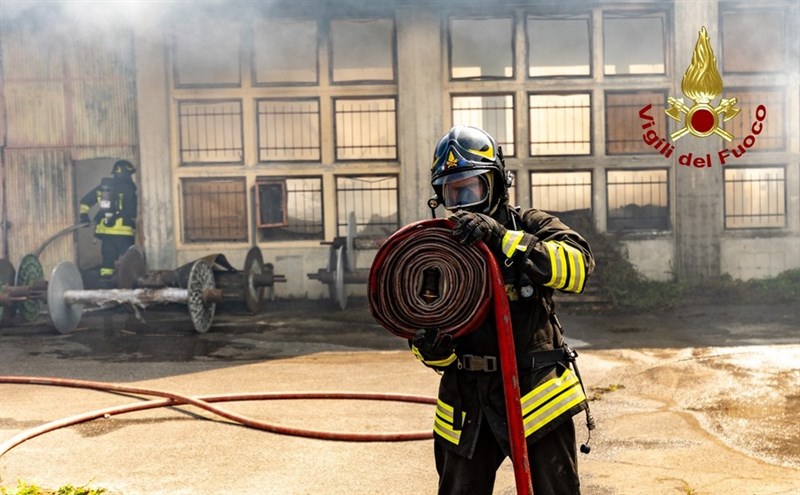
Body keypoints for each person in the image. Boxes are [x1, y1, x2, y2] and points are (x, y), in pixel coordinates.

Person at [412, 125, 595, 495]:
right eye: (452, 191)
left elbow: (578, 268)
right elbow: (418, 324)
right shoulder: (436, 253)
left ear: (495, 184)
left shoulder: (530, 225)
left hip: (535, 395)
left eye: (471, 187)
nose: (461, 202)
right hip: (466, 402)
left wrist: (501, 237)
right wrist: (433, 350)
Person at [79, 159, 138, 280]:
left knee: (107, 262)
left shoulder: (104, 187)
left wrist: (84, 217)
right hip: (125, 234)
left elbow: (85, 201)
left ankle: (105, 286)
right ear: (128, 174)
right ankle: (130, 285)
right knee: (130, 261)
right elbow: (135, 210)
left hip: (106, 232)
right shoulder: (131, 189)